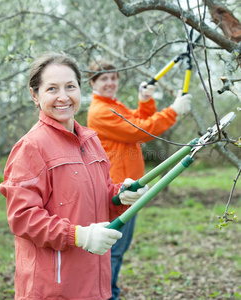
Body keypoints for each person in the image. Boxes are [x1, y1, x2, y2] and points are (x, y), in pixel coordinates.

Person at [0, 52, 148, 300]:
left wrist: (121, 196)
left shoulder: (91, 142)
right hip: (54, 289)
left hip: (95, 284)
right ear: (34, 95)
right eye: (52, 89)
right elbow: (22, 218)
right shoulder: (31, 147)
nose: (63, 97)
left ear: (80, 90)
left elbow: (100, 198)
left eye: (70, 86)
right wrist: (79, 235)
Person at [87, 60, 192, 300]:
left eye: (114, 78)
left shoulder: (113, 105)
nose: (111, 83)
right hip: (116, 191)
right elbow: (139, 130)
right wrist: (173, 110)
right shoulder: (100, 111)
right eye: (104, 79)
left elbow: (137, 119)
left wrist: (145, 100)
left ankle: (108, 291)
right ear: (92, 83)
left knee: (117, 248)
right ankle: (105, 295)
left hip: (128, 188)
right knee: (113, 249)